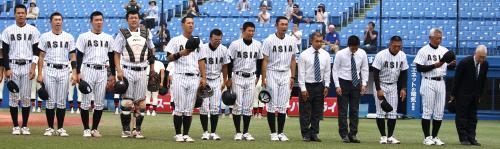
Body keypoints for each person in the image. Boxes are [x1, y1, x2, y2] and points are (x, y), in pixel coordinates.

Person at [114, 10, 156, 139]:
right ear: (127, 19)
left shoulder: (146, 32)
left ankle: (137, 130)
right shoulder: (122, 33)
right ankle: (126, 130)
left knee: (141, 104)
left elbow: (151, 51)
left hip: (143, 70)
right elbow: (116, 53)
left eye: (136, 18)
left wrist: (152, 69)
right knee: (127, 102)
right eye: (131, 18)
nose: (134, 20)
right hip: (127, 69)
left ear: (139, 19)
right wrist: (119, 69)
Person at [165, 16, 207, 142]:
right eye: (188, 23)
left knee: (189, 109)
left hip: (194, 77)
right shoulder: (175, 40)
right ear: (182, 25)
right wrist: (180, 54)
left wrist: (204, 77)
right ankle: (178, 134)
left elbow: (201, 60)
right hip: (179, 76)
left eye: (192, 23)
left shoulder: (198, 42)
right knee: (179, 108)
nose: (191, 25)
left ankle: (186, 134)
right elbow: (168, 58)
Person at [75, 11, 115, 138]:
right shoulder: (83, 36)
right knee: (86, 102)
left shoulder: (109, 38)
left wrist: (112, 74)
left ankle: (95, 129)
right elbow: (79, 55)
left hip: (102, 71)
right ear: (91, 21)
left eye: (101, 20)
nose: (99, 22)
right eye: (96, 20)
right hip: (88, 69)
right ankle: (86, 129)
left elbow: (111, 57)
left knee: (99, 103)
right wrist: (78, 72)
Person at [2, 4, 41, 136]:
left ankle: (24, 125)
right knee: (13, 97)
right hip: (12, 65)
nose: (20, 15)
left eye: (22, 13)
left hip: (27, 65)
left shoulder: (33, 30)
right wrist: (6, 68)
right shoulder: (8, 30)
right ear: (14, 14)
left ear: (26, 14)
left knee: (25, 98)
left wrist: (33, 67)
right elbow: (5, 52)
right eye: (18, 13)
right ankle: (15, 126)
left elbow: (36, 50)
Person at [414, 28, 456, 146]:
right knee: (427, 111)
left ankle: (435, 136)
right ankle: (427, 137)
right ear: (430, 38)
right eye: (437, 38)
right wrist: (434, 65)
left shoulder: (444, 50)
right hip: (428, 81)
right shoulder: (423, 50)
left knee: (439, 112)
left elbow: (451, 67)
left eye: (440, 38)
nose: (439, 40)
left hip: (441, 81)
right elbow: (419, 68)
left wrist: (452, 65)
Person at [37, 12, 76, 137]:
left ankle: (60, 128)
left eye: (60, 20)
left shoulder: (69, 37)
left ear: (62, 21)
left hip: (64, 69)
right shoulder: (44, 36)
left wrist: (74, 73)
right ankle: (49, 128)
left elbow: (73, 55)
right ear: (51, 22)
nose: (58, 22)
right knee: (49, 100)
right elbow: (41, 56)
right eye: (55, 20)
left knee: (61, 101)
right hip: (49, 69)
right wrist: (39, 73)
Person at [261, 16, 298, 142]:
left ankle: (281, 132)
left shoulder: (292, 40)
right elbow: (265, 61)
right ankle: (273, 133)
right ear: (276, 25)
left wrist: (293, 76)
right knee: (271, 105)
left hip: (286, 74)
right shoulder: (269, 40)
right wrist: (264, 78)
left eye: (286, 24)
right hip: (272, 72)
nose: (284, 26)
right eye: (282, 24)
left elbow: (293, 60)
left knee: (283, 106)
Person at [226, 22, 261, 141]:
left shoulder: (257, 44)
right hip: (238, 76)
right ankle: (238, 132)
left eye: (253, 31)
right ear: (243, 31)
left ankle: (246, 132)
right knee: (237, 105)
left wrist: (258, 76)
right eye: (249, 31)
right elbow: (229, 61)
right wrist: (229, 78)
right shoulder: (235, 44)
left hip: (251, 77)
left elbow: (260, 61)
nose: (251, 33)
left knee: (247, 106)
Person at [371, 36, 408, 144]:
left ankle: (390, 136)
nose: (397, 48)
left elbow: (404, 73)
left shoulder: (402, 55)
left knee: (392, 112)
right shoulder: (381, 55)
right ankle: (383, 136)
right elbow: (375, 72)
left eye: (399, 46)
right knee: (380, 112)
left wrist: (403, 88)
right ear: (390, 44)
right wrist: (378, 89)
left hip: (393, 85)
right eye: (395, 46)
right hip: (381, 84)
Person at [332, 35, 368, 143]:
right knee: (342, 111)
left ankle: (353, 134)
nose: (355, 50)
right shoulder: (340, 54)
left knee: (354, 110)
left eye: (356, 47)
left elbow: (365, 69)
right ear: (348, 46)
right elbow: (335, 70)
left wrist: (364, 84)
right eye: (353, 48)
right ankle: (344, 134)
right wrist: (337, 85)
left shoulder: (362, 53)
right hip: (343, 82)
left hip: (356, 83)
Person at [452, 45, 489, 146]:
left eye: (484, 57)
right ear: (475, 53)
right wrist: (453, 95)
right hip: (462, 96)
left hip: (475, 96)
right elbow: (456, 79)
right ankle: (463, 138)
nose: (482, 59)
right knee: (462, 117)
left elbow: (483, 80)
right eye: (481, 56)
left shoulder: (485, 64)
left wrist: (480, 95)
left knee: (473, 118)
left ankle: (472, 138)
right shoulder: (464, 62)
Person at [298, 32, 330, 142]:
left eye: (321, 41)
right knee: (305, 112)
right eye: (317, 41)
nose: (319, 43)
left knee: (317, 112)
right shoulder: (304, 54)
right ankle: (305, 134)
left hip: (319, 86)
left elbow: (327, 72)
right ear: (311, 41)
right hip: (307, 85)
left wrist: (326, 86)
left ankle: (314, 133)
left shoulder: (325, 55)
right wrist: (303, 89)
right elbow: (301, 73)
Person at [199, 29, 230, 141]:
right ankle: (205, 132)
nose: (217, 41)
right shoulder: (203, 48)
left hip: (217, 79)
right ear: (210, 38)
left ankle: (213, 132)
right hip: (204, 80)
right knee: (203, 107)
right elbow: (199, 63)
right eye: (215, 39)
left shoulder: (224, 49)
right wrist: (202, 79)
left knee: (215, 107)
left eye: (219, 39)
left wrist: (225, 80)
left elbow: (225, 66)